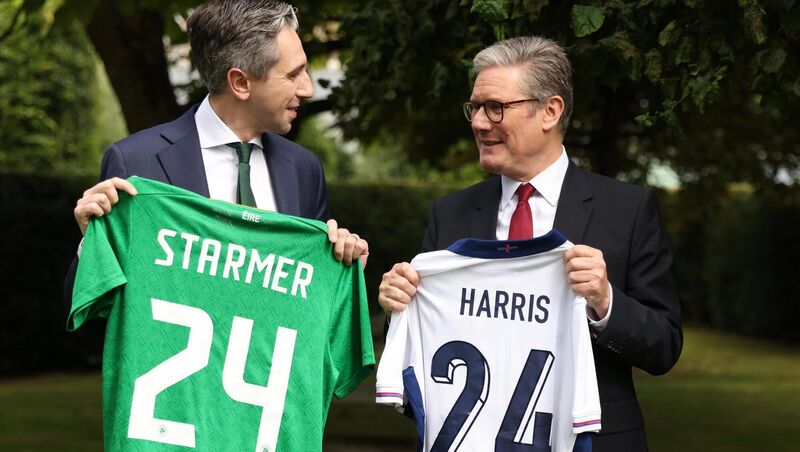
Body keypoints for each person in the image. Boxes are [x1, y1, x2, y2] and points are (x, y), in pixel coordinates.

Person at [378, 36, 682, 451]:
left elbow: (664, 347)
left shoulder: (626, 210)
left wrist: (605, 302)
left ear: (550, 111)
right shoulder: (449, 214)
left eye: (496, 107)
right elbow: (422, 352)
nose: (480, 123)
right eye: (475, 108)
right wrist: (398, 307)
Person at [65, 0, 368, 306]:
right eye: (293, 75)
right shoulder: (136, 163)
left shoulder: (304, 169)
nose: (308, 89)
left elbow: (316, 305)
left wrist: (341, 268)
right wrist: (92, 246)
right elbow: (92, 309)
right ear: (240, 82)